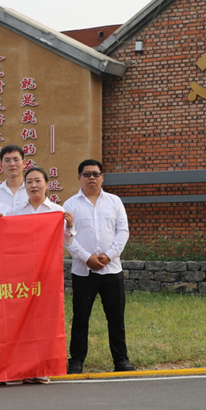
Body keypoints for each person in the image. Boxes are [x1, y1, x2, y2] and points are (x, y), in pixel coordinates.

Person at [63, 159, 135, 374]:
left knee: (116, 318)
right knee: (80, 318)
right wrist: (87, 258)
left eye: (95, 174)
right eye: (86, 174)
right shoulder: (70, 205)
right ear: (79, 178)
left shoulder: (114, 201)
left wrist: (109, 256)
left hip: (112, 270)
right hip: (83, 271)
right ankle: (76, 361)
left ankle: (121, 360)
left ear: (102, 177)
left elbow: (123, 231)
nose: (91, 178)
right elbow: (66, 237)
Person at [14, 166, 75, 384]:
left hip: (48, 274)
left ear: (46, 184)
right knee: (24, 321)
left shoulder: (57, 211)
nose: (33, 185)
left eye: (37, 181)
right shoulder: (16, 213)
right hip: (23, 275)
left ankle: (43, 367)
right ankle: (25, 367)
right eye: (29, 182)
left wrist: (70, 226)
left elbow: (66, 242)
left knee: (46, 320)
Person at [0, 145, 28, 212]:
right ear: (1, 165)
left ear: (24, 163)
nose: (12, 164)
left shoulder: (32, 190)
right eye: (7, 160)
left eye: (16, 160)